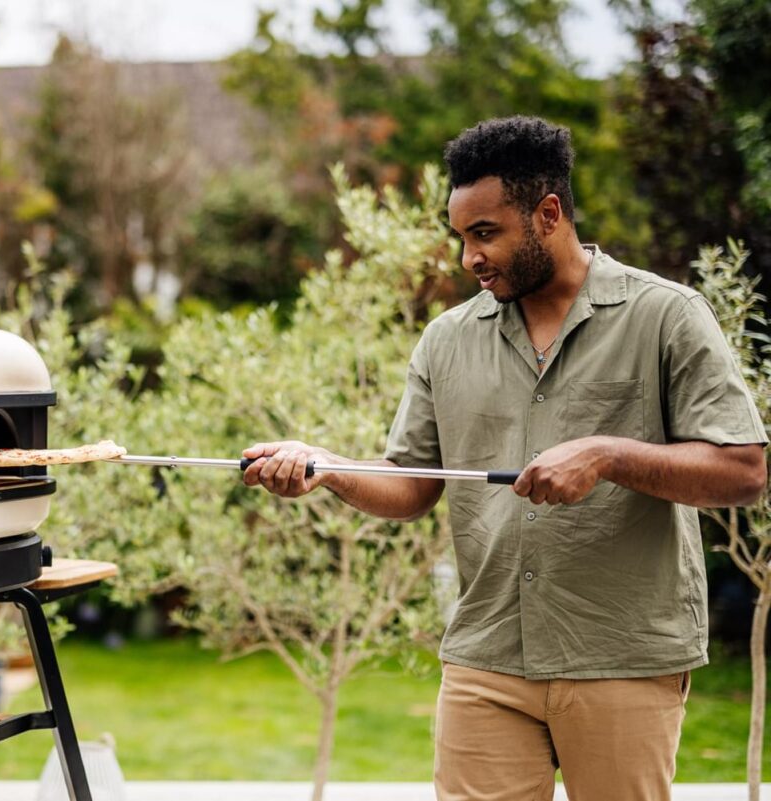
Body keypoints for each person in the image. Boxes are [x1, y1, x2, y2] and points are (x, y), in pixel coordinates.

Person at [243, 116, 768, 801]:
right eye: (462, 237)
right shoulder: (446, 340)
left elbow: (744, 470)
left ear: (548, 214)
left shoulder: (666, 316)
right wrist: (327, 466)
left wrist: (608, 455)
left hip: (622, 655)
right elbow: (411, 485)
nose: (469, 258)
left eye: (485, 233)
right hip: (485, 657)